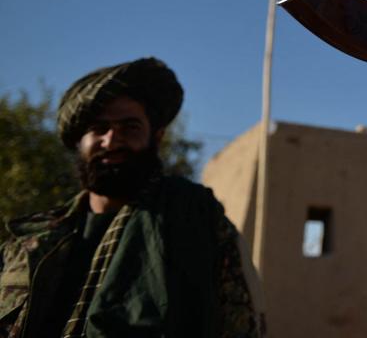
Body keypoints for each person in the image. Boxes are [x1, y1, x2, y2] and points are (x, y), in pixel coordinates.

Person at [0, 57, 264, 338]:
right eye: (99, 129)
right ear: (80, 141)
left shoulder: (195, 221)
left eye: (130, 127)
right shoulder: (29, 242)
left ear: (157, 137)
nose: (112, 141)